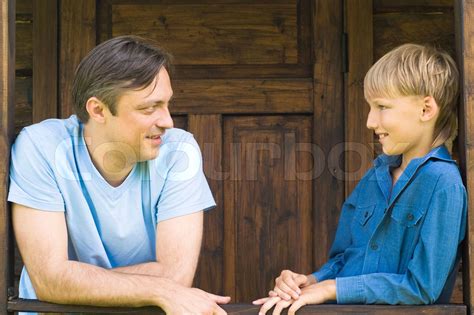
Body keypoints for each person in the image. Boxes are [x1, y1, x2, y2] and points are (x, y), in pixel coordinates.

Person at [8, 35, 230, 314]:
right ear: (98, 110)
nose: (167, 121)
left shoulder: (179, 151)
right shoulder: (40, 146)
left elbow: (177, 276)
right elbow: (49, 281)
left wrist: (76, 279)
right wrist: (158, 288)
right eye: (149, 108)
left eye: (166, 104)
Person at [253, 43, 467, 314]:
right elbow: (345, 258)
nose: (369, 121)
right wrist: (310, 281)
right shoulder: (374, 177)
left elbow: (422, 287)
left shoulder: (444, 184)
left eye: (381, 106)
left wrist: (332, 288)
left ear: (426, 110)